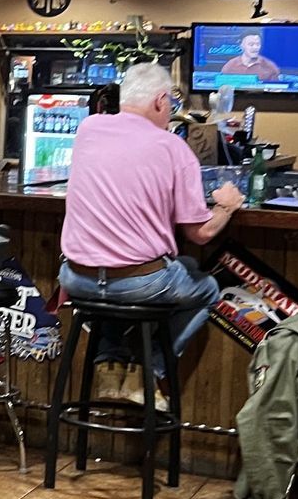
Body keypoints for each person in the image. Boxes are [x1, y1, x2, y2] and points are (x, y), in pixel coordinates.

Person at [58, 61, 244, 410]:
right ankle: (147, 371)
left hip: (75, 279)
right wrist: (227, 207)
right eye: (171, 106)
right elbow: (201, 233)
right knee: (206, 288)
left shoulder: (88, 129)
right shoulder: (173, 148)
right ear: (161, 101)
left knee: (171, 266)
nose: (171, 114)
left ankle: (109, 367)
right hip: (140, 284)